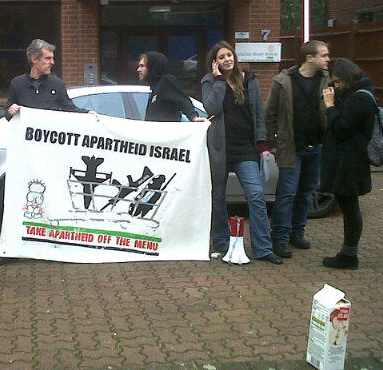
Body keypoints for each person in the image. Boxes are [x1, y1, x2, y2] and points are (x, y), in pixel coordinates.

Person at [0, 38, 92, 267]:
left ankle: (56, 246)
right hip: (26, 158)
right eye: (48, 58)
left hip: (52, 157)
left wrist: (88, 115)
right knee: (17, 200)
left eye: (52, 58)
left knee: (56, 197)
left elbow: (69, 109)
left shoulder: (57, 84)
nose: (52, 62)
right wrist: (10, 110)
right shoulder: (17, 84)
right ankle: (10, 249)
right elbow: (8, 112)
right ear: (34, 59)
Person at [201, 41, 282, 265]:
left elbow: (258, 114)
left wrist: (263, 144)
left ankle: (263, 248)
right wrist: (219, 81)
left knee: (256, 195)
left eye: (229, 55)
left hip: (246, 150)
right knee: (218, 197)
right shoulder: (209, 81)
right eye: (221, 57)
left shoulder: (249, 80)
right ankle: (221, 241)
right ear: (214, 62)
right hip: (220, 150)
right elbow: (211, 108)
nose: (227, 59)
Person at [265, 40, 331, 258]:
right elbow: (270, 114)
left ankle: (297, 232)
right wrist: (272, 143)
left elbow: (331, 111)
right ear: (309, 58)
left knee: (306, 194)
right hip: (290, 147)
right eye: (324, 55)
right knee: (287, 194)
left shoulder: (327, 80)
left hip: (316, 146)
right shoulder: (284, 81)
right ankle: (280, 237)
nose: (328, 59)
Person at [319, 58, 376, 269]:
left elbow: (342, 127)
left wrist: (330, 105)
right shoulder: (354, 94)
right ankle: (348, 253)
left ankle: (349, 255)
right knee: (348, 205)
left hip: (350, 161)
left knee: (350, 207)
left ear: (347, 78)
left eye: (338, 81)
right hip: (347, 159)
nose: (337, 85)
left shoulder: (360, 98)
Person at [136, 51, 206, 123]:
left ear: (152, 66)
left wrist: (194, 117)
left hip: (168, 129)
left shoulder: (166, 81)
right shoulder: (155, 87)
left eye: (142, 66)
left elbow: (183, 100)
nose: (138, 70)